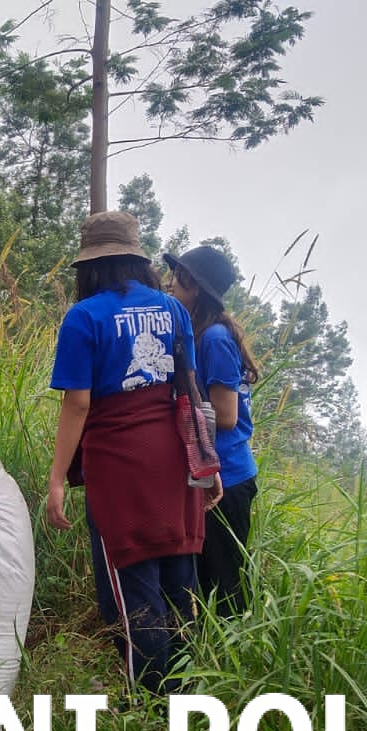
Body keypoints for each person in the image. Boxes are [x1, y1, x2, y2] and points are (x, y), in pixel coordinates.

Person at [45, 211, 221, 697]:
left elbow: (78, 403)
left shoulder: (84, 318)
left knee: (134, 592)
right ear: (137, 259)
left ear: (91, 266)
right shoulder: (173, 310)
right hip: (174, 459)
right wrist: (207, 463)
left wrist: (57, 479)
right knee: (179, 586)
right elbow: (191, 388)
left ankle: (146, 709)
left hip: (119, 465)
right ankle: (183, 701)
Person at [164, 246, 258, 618]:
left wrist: (172, 414)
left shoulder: (214, 338)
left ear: (196, 287)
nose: (171, 282)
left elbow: (226, 415)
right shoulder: (196, 333)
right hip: (212, 473)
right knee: (209, 581)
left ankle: (235, 665)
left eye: (179, 276)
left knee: (225, 583)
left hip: (229, 477)